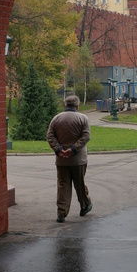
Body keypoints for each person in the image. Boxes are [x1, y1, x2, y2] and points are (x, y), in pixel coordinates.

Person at [46, 94, 93, 223]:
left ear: (65, 105)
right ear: (77, 106)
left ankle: (61, 213)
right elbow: (86, 137)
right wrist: (73, 149)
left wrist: (59, 149)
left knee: (63, 185)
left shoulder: (56, 119)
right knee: (79, 183)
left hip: (61, 159)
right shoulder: (83, 118)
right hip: (78, 159)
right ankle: (85, 205)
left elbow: (50, 136)